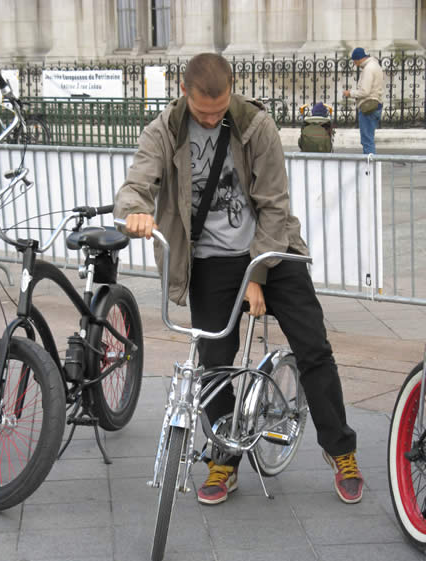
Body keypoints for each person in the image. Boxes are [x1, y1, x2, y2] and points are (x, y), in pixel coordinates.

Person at [115, 53, 364, 506]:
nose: (210, 119)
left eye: (218, 109)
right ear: (185, 93)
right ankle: (224, 460)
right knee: (215, 363)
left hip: (273, 248)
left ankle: (340, 448)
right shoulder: (164, 129)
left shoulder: (255, 125)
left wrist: (257, 274)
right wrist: (134, 209)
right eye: (201, 111)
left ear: (231, 90)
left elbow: (273, 204)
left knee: (313, 346)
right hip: (210, 259)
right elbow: (139, 180)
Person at [343, 47, 383, 154]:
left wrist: (350, 93)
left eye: (355, 62)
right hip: (376, 105)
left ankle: (369, 168)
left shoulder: (368, 69)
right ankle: (370, 166)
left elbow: (365, 91)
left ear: (358, 59)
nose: (355, 65)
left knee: (367, 141)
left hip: (368, 107)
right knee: (369, 138)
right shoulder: (375, 65)